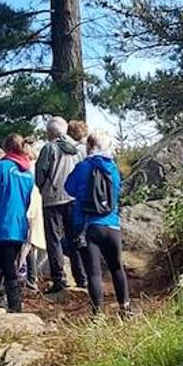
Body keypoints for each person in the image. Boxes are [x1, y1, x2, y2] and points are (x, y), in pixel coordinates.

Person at [64, 128, 131, 318]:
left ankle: (97, 314)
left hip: (87, 226)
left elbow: (68, 188)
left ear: (89, 146)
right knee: (117, 267)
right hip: (111, 225)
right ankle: (125, 308)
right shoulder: (113, 169)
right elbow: (118, 192)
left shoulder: (82, 167)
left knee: (93, 273)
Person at [0, 134, 35, 313]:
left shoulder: (1, 168)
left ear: (6, 148)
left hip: (3, 223)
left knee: (7, 265)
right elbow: (28, 200)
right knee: (8, 262)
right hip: (20, 226)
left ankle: (14, 305)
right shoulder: (27, 173)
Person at [35, 117, 85, 293]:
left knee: (54, 240)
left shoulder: (49, 148)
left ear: (50, 132)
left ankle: (59, 279)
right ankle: (82, 278)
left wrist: (43, 189)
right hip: (74, 199)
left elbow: (40, 174)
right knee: (75, 238)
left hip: (52, 199)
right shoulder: (78, 149)